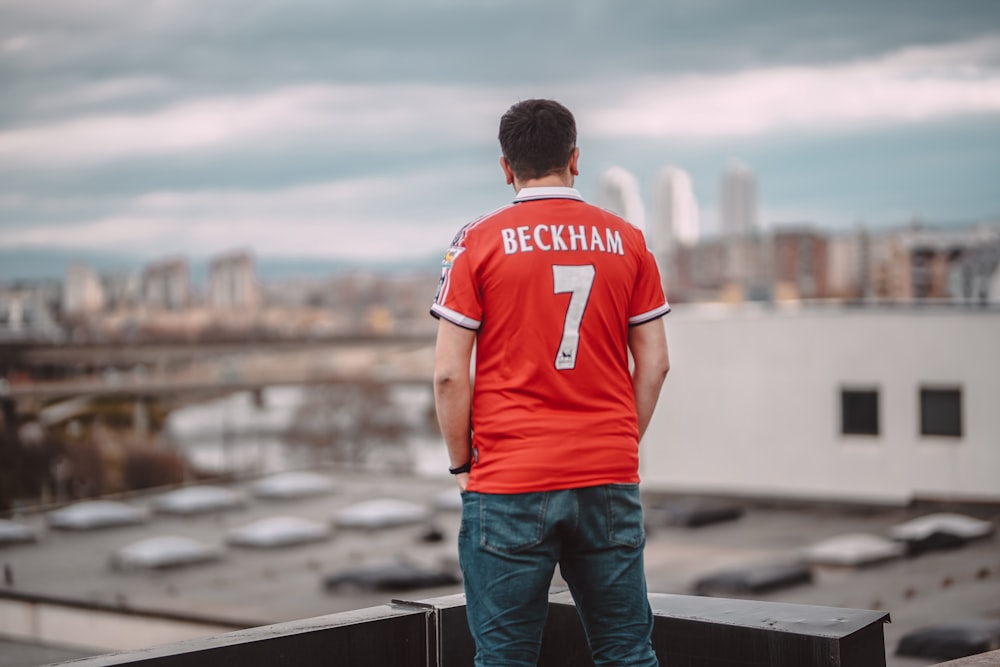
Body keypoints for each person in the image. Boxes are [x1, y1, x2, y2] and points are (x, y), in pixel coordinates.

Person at [431, 98, 670, 667]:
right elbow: (656, 363)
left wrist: (463, 466)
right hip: (607, 475)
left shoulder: (477, 240)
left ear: (506, 168)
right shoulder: (629, 240)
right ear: (575, 158)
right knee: (627, 653)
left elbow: (446, 374)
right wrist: (616, 444)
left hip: (510, 481)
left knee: (505, 658)